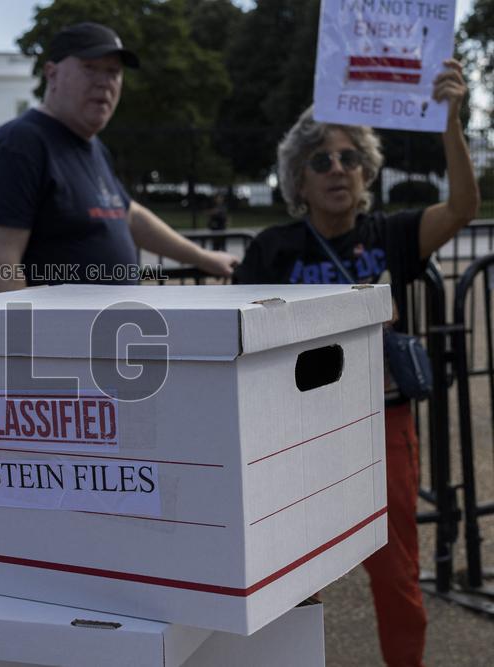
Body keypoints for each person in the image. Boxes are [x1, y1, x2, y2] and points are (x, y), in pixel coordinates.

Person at [234, 60, 478, 667]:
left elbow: (464, 208)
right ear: (298, 178)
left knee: (396, 575)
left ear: (367, 170)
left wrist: (452, 123)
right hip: (293, 436)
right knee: (290, 580)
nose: (337, 169)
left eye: (349, 158)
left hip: (380, 429)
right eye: (321, 160)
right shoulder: (272, 249)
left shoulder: (391, 233)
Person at [0, 22, 237, 294]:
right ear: (52, 74)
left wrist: (204, 259)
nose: (104, 82)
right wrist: (33, 336)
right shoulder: (18, 145)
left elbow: (129, 215)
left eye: (114, 72)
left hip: (107, 332)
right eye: (90, 68)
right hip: (59, 335)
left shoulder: (92, 145)